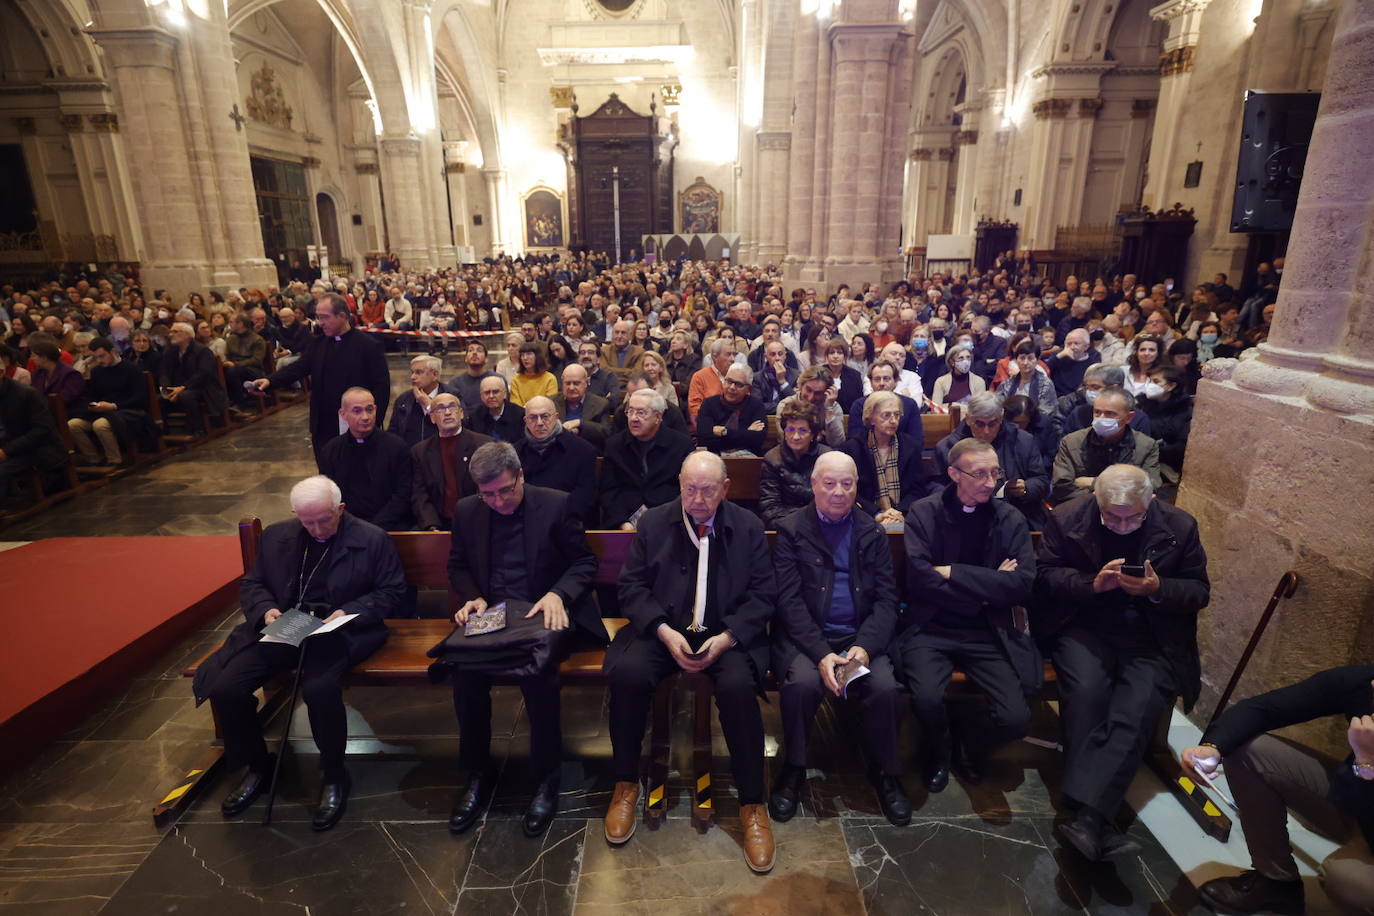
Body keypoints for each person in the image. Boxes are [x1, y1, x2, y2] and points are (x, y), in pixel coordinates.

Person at [192, 476, 405, 830]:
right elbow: (253, 583)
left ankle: (334, 776)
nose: (318, 529)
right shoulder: (279, 536)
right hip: (286, 626)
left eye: (325, 519)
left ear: (341, 509)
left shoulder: (371, 538)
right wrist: (266, 611)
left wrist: (350, 610)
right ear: (296, 515)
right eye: (308, 522)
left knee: (320, 690)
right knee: (226, 687)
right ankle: (258, 766)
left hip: (339, 632)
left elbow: (392, 591)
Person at [603, 451, 778, 873]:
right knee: (627, 676)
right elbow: (631, 588)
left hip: (724, 633)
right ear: (679, 484)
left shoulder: (749, 526)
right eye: (690, 489)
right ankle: (626, 782)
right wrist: (663, 630)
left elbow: (764, 595)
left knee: (738, 689)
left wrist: (727, 637)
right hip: (663, 630)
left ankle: (752, 804)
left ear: (725, 488)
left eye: (707, 490)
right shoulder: (654, 522)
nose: (698, 499)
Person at [1035, 464, 1209, 861]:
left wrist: (1156, 588)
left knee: (1138, 703)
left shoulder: (1179, 526)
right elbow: (1043, 578)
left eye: (1134, 516)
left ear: (1150, 501)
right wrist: (1090, 583)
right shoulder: (1067, 518)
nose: (1123, 524)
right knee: (1086, 692)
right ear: (1096, 499)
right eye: (1113, 516)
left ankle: (1087, 817)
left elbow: (1199, 590)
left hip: (1151, 633)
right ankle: (1096, 817)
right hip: (1082, 626)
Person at [446, 442, 608, 838]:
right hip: (494, 614)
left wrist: (558, 594)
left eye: (505, 490)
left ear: (520, 475)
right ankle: (476, 775)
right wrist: (473, 597)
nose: (498, 501)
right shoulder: (468, 511)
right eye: (488, 495)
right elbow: (458, 564)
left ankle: (546, 778)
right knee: (464, 675)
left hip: (543, 610)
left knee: (538, 674)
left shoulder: (556, 504)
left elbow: (584, 562)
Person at [770, 450, 908, 824]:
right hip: (807, 639)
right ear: (814, 485)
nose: (838, 492)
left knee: (885, 688)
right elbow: (788, 600)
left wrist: (863, 649)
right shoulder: (792, 529)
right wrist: (820, 653)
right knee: (800, 685)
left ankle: (886, 772)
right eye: (829, 483)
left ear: (856, 486)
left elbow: (886, 599)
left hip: (860, 639)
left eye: (847, 484)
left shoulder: (871, 531)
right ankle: (794, 768)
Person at [897, 439, 1036, 792]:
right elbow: (919, 578)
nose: (990, 482)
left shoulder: (1010, 518)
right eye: (979, 474)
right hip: (931, 625)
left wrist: (953, 572)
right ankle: (939, 752)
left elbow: (1021, 584)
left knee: (1015, 719)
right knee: (925, 698)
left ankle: (969, 746)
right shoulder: (924, 512)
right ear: (954, 474)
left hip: (988, 630)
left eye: (995, 472)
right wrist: (988, 589)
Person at [1182, 666, 1374, 915]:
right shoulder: (1364, 683)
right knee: (1249, 750)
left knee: (1344, 879)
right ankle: (1276, 883)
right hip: (1360, 797)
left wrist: (1367, 762)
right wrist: (1211, 748)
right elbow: (1265, 708)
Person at [251, 294, 390, 466]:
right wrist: (270, 381)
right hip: (323, 421)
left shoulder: (368, 346)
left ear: (342, 316)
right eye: (318, 317)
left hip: (355, 421)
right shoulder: (318, 344)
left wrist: (373, 422)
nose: (320, 322)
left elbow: (381, 387)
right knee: (327, 471)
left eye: (325, 317)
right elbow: (298, 367)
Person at [933, 391, 1049, 526]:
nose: (986, 431)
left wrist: (1026, 488)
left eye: (992, 424)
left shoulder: (1023, 441)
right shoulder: (948, 446)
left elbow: (1042, 481)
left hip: (1015, 514)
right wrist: (956, 496)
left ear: (1001, 419)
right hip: (963, 517)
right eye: (980, 424)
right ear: (969, 419)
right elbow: (934, 485)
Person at [318, 388, 413, 531]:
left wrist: (375, 527)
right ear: (343, 414)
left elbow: (403, 494)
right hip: (346, 526)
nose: (365, 417)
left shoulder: (397, 447)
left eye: (369, 410)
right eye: (357, 411)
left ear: (375, 409)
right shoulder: (330, 451)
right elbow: (330, 496)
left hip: (390, 525)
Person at [599, 388, 695, 529]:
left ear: (658, 417)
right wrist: (622, 522)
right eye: (630, 411)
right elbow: (609, 490)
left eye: (641, 412)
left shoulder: (681, 445)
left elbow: (685, 490)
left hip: (670, 522)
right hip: (624, 522)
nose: (633, 418)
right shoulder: (615, 445)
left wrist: (663, 520)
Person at [1051, 386, 1161, 503]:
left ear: (1129, 417)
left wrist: (1094, 482)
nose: (1101, 418)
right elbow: (1062, 487)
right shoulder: (1071, 441)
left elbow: (1151, 486)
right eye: (1097, 412)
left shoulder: (1147, 445)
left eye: (1110, 414)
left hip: (1126, 509)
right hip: (1083, 507)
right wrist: (1107, 497)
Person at [842, 391, 928, 529]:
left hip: (903, 515)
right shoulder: (853, 449)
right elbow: (852, 492)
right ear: (871, 418)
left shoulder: (910, 447)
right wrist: (876, 513)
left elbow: (917, 489)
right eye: (886, 415)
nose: (893, 420)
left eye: (897, 415)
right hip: (865, 516)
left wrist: (899, 512)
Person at [410, 392, 491, 531]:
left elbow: (486, 489)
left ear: (461, 413)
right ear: (433, 418)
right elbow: (419, 493)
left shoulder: (483, 445)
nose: (447, 412)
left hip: (476, 520)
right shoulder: (420, 451)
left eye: (452, 407)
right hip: (438, 522)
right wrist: (431, 525)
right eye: (440, 409)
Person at [67, 337, 150, 466]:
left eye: (102, 356)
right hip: (102, 411)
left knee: (100, 425)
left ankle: (114, 460)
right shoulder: (96, 371)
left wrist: (113, 406)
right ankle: (93, 459)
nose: (99, 360)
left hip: (127, 410)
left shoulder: (132, 369)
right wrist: (92, 405)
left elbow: (139, 398)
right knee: (73, 424)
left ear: (112, 351)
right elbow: (91, 394)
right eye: (96, 358)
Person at [515, 395, 598, 524]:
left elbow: (585, 498)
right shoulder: (516, 452)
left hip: (568, 522)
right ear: (525, 420)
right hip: (526, 522)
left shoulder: (583, 450)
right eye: (533, 417)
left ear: (556, 417)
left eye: (545, 416)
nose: (539, 423)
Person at [0, 371, 67, 509]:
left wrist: (7, 451)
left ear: (1, 372)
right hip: (12, 447)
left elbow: (42, 430)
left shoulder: (26, 394)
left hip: (39, 449)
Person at [759, 400, 831, 529]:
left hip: (822, 525)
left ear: (813, 435)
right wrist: (799, 525)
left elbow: (831, 501)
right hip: (786, 528)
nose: (795, 436)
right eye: (790, 430)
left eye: (803, 431)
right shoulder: (772, 459)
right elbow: (770, 507)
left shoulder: (827, 458)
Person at [158, 322, 226, 437]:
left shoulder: (202, 351)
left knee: (186, 396)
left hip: (203, 388)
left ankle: (197, 429)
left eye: (175, 332)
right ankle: (165, 433)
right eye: (171, 332)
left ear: (187, 335)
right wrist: (166, 388)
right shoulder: (170, 351)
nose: (171, 335)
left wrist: (183, 387)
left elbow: (203, 374)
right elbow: (164, 371)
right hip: (178, 387)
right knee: (160, 399)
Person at [1053, 364, 1153, 440]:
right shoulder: (1079, 413)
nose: (1089, 392)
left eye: (1095, 387)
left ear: (1115, 387)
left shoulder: (1139, 419)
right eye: (1087, 387)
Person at [697, 363, 768, 456]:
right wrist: (746, 432)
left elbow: (758, 439)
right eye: (729, 381)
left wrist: (724, 432)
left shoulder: (756, 405)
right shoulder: (709, 404)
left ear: (748, 389)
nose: (732, 387)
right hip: (714, 456)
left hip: (748, 458)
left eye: (738, 384)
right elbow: (705, 439)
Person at [388, 355, 454, 447]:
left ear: (435, 374)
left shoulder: (452, 396)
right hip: (410, 454)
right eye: (412, 372)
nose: (412, 377)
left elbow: (458, 425)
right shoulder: (403, 399)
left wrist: (430, 407)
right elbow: (393, 433)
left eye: (418, 372)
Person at [848, 361, 922, 442]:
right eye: (877, 379)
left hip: (903, 452)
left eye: (886, 379)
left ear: (896, 381)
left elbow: (916, 440)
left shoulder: (909, 405)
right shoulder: (859, 405)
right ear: (871, 382)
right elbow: (855, 439)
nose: (882, 383)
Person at [1139, 365, 1192, 477]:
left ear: (1171, 386)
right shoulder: (1142, 403)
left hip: (1163, 463)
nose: (1149, 385)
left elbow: (1179, 447)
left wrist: (1149, 450)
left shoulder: (1184, 410)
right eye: (1149, 381)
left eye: (1155, 381)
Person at [552, 363, 613, 453]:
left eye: (576, 383)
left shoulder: (600, 404)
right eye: (567, 383)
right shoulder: (551, 402)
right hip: (556, 451)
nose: (571, 388)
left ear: (587, 382)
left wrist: (580, 424)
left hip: (587, 453)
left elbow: (606, 432)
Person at [996, 340, 1057, 421]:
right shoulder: (1007, 383)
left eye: (1030, 358)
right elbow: (998, 406)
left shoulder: (1045, 384)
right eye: (1022, 358)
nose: (1025, 362)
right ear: (1016, 360)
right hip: (1009, 424)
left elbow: (1046, 412)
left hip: (1035, 424)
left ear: (1037, 360)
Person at [687, 336, 737, 421]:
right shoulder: (699, 377)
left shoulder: (739, 376)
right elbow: (694, 408)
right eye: (728, 354)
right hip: (709, 423)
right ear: (715, 357)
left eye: (734, 354)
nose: (733, 359)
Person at [466, 374, 525, 442]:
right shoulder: (474, 417)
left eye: (495, 392)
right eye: (487, 392)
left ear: (505, 394)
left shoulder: (520, 415)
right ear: (481, 396)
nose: (491, 396)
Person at [1049, 328, 1102, 398]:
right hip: (1057, 398)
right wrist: (1059, 357)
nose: (1072, 347)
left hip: (1080, 399)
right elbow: (1042, 371)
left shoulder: (1093, 360)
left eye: (1076, 343)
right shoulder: (1058, 356)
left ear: (1086, 346)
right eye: (1069, 344)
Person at [751, 339, 797, 412]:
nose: (777, 358)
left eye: (780, 354)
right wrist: (784, 406)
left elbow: (796, 404)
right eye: (772, 354)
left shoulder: (796, 375)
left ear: (785, 355)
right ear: (766, 357)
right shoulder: (757, 378)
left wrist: (783, 382)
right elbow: (757, 405)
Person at [449, 341, 496, 412]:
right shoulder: (455, 383)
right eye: (470, 350)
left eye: (479, 350)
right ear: (465, 359)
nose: (474, 353)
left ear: (486, 359)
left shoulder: (497, 380)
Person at [510, 343, 559, 407]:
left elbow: (550, 403)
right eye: (522, 355)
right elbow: (515, 405)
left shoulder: (550, 378)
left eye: (529, 354)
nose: (525, 358)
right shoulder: (516, 380)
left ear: (537, 356)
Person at [577, 339, 622, 406]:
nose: (586, 356)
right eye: (582, 353)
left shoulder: (609, 378)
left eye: (590, 352)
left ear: (598, 359)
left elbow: (613, 403)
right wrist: (602, 400)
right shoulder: (573, 377)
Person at [1123, 333, 1164, 398]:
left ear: (1158, 353)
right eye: (1142, 350)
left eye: (1151, 350)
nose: (1146, 353)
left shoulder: (1163, 376)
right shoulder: (1124, 371)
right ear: (1136, 352)